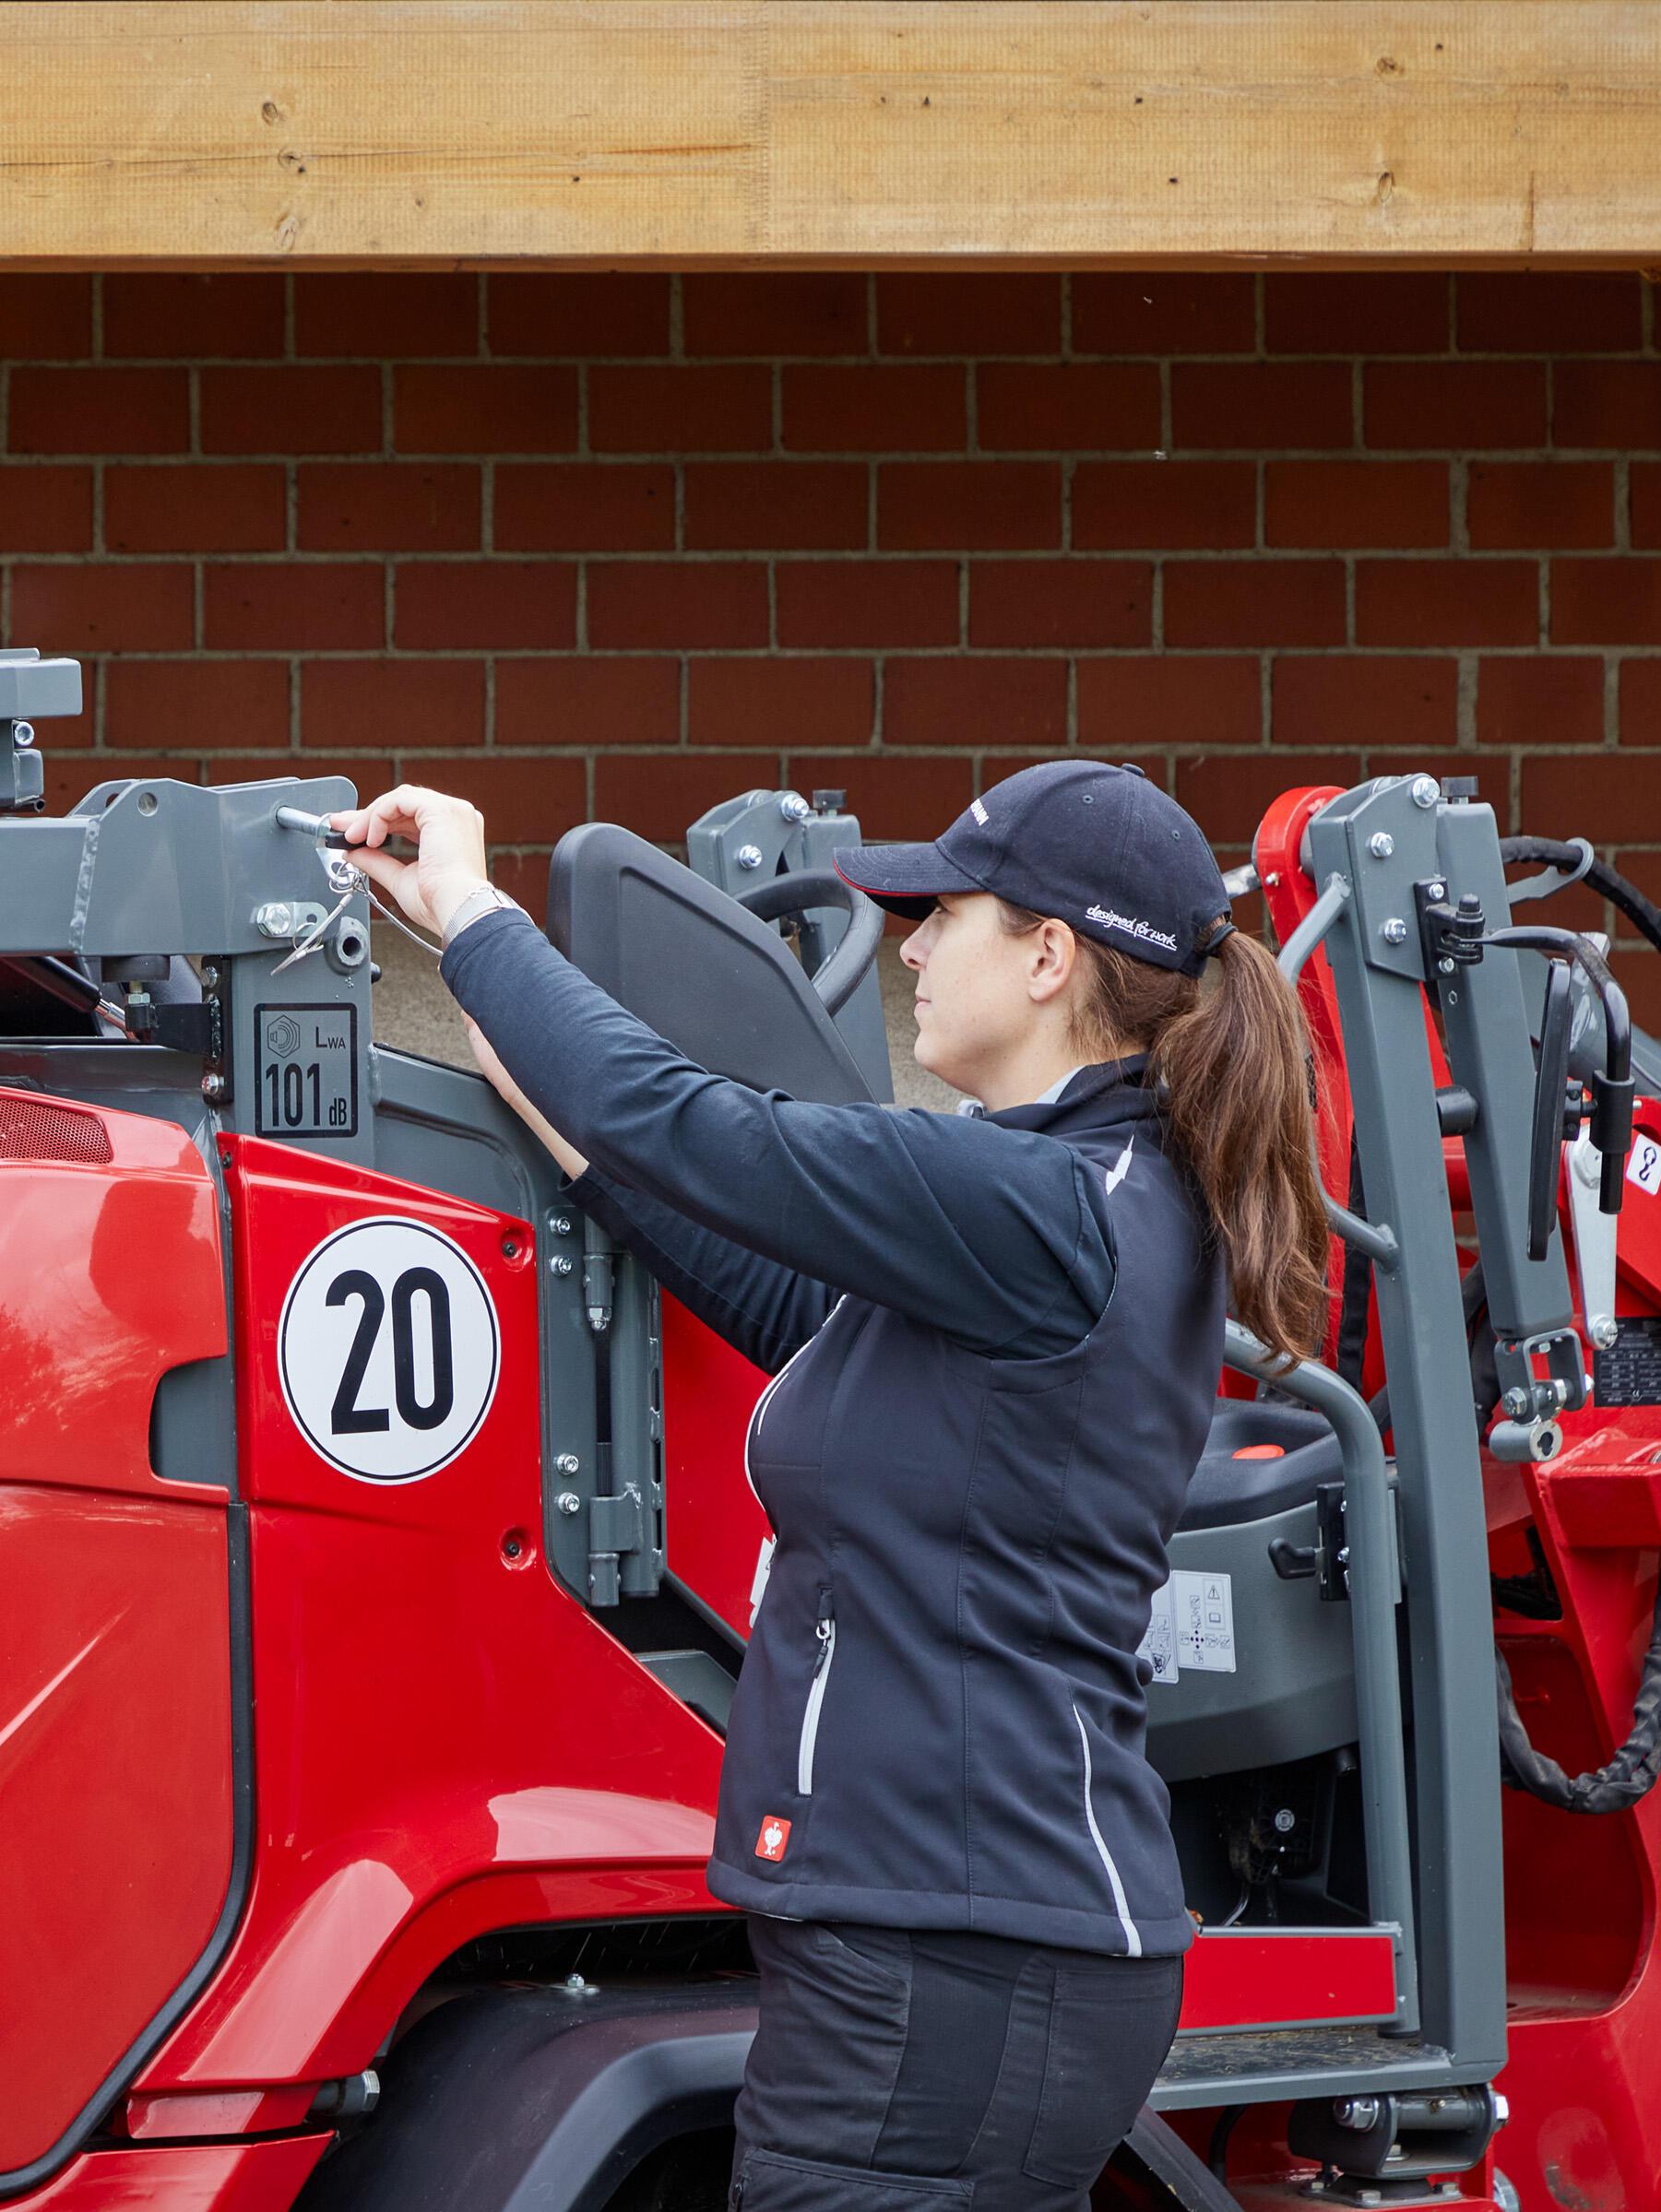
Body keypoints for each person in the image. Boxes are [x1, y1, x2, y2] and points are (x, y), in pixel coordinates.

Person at [327, 763, 1330, 2212]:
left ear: (1047, 956)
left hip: (951, 1960)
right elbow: (775, 1288)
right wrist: (567, 1120)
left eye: (941, 917)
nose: (909, 950)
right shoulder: (1054, 1200)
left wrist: (475, 909)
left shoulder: (1043, 1204)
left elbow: (692, 1121)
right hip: (950, 1945)